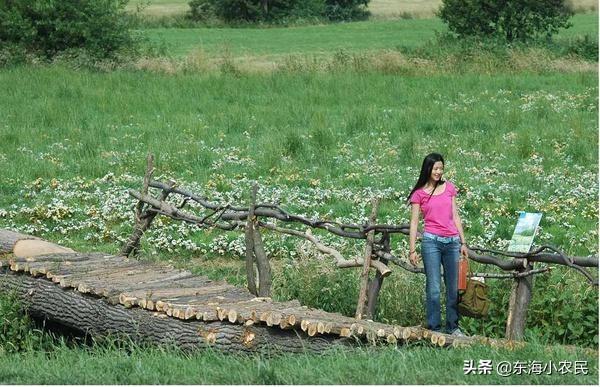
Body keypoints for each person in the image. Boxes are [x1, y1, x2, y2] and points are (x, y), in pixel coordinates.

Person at [407, 152, 468, 336]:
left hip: (452, 242)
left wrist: (463, 242)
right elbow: (414, 223)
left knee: (453, 287)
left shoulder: (450, 188)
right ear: (428, 169)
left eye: (441, 168)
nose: (439, 172)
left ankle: (453, 326)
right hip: (431, 242)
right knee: (433, 287)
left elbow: (455, 215)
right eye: (435, 168)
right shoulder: (418, 194)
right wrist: (412, 250)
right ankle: (435, 327)